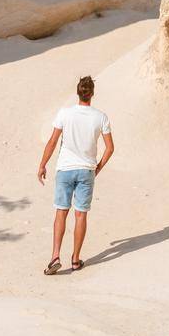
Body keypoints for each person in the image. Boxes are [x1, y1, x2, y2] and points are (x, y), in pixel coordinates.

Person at [37, 74, 114, 274]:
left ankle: (55, 256)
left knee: (61, 212)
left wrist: (42, 164)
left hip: (65, 168)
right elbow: (110, 148)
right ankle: (75, 259)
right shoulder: (100, 117)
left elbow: (53, 142)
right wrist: (97, 168)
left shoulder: (65, 113)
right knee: (81, 215)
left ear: (78, 92)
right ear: (92, 94)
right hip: (86, 170)